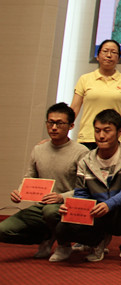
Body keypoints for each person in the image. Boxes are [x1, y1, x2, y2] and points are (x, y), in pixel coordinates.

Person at [52, 109, 121, 268]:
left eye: (107, 131)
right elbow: (81, 193)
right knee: (62, 228)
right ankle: (96, 243)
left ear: (119, 132)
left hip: (119, 211)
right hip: (96, 212)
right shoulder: (86, 160)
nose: (101, 136)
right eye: (97, 130)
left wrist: (109, 204)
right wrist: (74, 208)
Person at [0, 103, 88, 258]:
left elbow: (87, 188)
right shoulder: (38, 149)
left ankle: (64, 244)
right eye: (50, 122)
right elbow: (29, 177)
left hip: (67, 205)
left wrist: (61, 197)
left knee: (50, 211)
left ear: (71, 126)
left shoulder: (81, 152)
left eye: (59, 123)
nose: (53, 127)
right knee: (3, 230)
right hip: (41, 206)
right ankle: (46, 237)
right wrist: (19, 192)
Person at [71, 39, 121, 149]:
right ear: (98, 56)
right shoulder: (85, 79)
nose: (109, 55)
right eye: (105, 51)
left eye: (114, 52)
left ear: (118, 58)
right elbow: (74, 109)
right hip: (88, 137)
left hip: (116, 139)